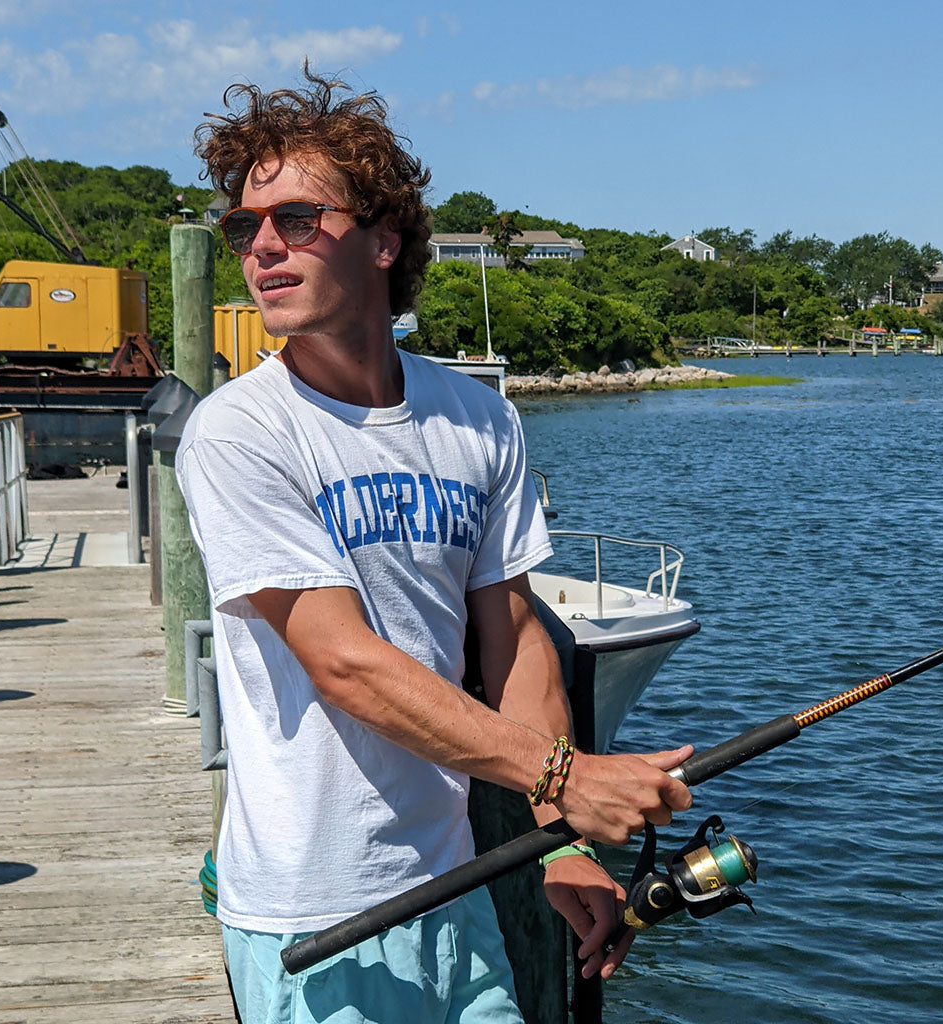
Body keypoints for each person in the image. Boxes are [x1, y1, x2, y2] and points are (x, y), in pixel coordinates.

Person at [178, 68, 693, 1024]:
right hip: (311, 911)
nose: (261, 249)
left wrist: (557, 835)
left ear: (383, 238)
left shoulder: (478, 417)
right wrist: (569, 779)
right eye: (243, 227)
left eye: (297, 218)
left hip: (458, 890)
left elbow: (515, 641)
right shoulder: (238, 433)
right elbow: (343, 663)